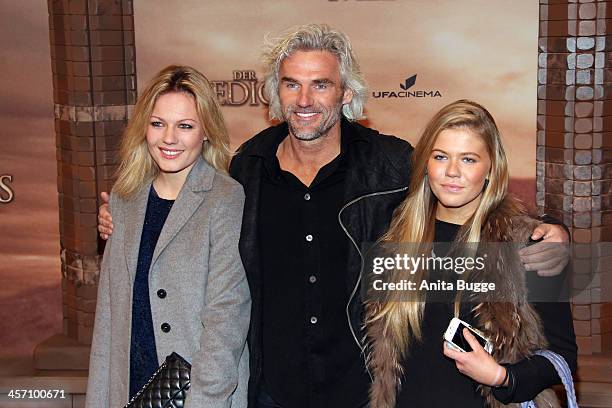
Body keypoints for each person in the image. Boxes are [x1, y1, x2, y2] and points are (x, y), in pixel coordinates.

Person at [98, 25, 570, 408]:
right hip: (272, 392)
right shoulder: (247, 168)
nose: (304, 100)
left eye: (320, 84)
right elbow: (189, 203)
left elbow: (463, 192)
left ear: (346, 93)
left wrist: (549, 229)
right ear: (274, 93)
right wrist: (128, 215)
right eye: (291, 84)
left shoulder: (391, 164)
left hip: (363, 391)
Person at [365, 100, 577, 408]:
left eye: (468, 159)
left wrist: (503, 377)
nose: (452, 172)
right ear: (426, 162)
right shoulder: (392, 234)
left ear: (491, 167)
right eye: (440, 157)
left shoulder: (530, 244)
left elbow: (563, 357)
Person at [85, 65, 251, 408]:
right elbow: (109, 319)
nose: (169, 138)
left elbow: (226, 319)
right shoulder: (124, 197)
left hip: (196, 393)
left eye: (185, 126)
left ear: (206, 132)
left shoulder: (225, 198)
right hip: (127, 387)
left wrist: (203, 403)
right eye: (158, 123)